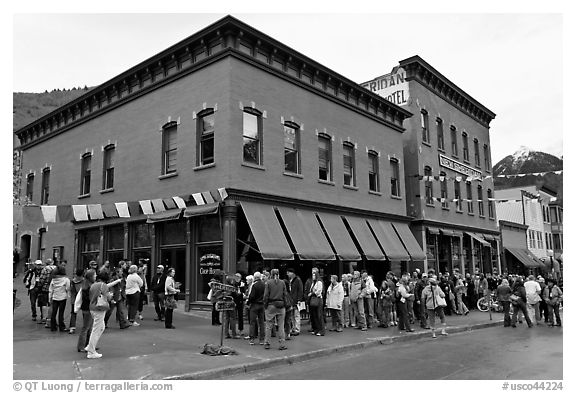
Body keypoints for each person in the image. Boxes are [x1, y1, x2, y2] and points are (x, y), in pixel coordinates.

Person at [85, 271, 120, 359]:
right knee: (96, 329)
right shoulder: (103, 285)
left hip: (92, 307)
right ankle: (91, 351)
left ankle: (90, 346)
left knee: (100, 327)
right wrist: (110, 295)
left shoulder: (94, 285)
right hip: (99, 308)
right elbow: (107, 297)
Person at [263, 269, 288, 350]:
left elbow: (266, 296)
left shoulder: (268, 283)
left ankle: (267, 343)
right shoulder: (282, 282)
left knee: (268, 325)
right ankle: (282, 344)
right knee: (281, 326)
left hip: (271, 305)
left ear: (271, 274)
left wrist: (265, 305)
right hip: (281, 305)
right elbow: (285, 294)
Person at [76, 269, 96, 353]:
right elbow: (89, 298)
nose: (96, 276)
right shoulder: (88, 287)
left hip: (86, 308)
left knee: (88, 327)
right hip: (88, 308)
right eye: (94, 275)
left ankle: (88, 345)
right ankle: (81, 346)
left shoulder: (86, 285)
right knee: (86, 327)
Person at [48, 266, 71, 332]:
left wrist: (50, 298)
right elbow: (67, 288)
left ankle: (53, 326)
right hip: (63, 297)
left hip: (55, 297)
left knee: (54, 312)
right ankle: (61, 327)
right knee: (61, 313)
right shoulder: (66, 279)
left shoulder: (53, 279)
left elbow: (51, 289)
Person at [36, 258, 57, 327]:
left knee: (44, 303)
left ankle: (44, 318)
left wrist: (39, 287)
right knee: (51, 304)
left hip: (45, 288)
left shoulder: (45, 269)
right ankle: (50, 318)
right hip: (54, 288)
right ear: (52, 262)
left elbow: (42, 279)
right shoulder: (56, 268)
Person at [248, 272, 265, 345]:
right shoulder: (264, 285)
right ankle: (261, 339)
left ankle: (252, 339)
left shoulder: (254, 285)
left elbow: (252, 296)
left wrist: (249, 302)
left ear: (255, 278)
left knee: (252, 322)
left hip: (254, 305)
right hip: (262, 305)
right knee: (261, 322)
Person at [307, 269, 325, 336]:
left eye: (314, 275)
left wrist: (312, 293)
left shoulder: (319, 282)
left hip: (318, 300)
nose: (313, 276)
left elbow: (319, 292)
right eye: (312, 275)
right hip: (313, 300)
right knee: (314, 316)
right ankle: (316, 329)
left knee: (319, 315)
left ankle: (321, 330)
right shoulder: (313, 283)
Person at [286, 268, 304, 335]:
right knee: (292, 315)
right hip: (291, 300)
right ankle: (293, 328)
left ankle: (297, 329)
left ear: (292, 273)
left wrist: (299, 299)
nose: (287, 274)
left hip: (296, 300)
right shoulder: (290, 280)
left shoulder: (297, 280)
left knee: (296, 315)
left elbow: (300, 290)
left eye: (288, 273)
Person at [68, 268, 84, 334]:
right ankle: (87, 326)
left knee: (73, 313)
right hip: (83, 298)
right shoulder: (84, 281)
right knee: (85, 312)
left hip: (74, 299)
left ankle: (72, 327)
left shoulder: (73, 281)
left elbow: (71, 290)